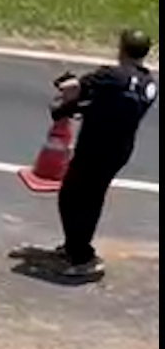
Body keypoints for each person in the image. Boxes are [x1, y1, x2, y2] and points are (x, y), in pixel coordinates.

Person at [34, 28, 158, 280]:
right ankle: (75, 247)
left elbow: (72, 89)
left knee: (72, 198)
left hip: (95, 147)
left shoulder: (109, 76)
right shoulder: (149, 85)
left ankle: (80, 256)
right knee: (91, 197)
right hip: (119, 149)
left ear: (121, 48)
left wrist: (63, 85)